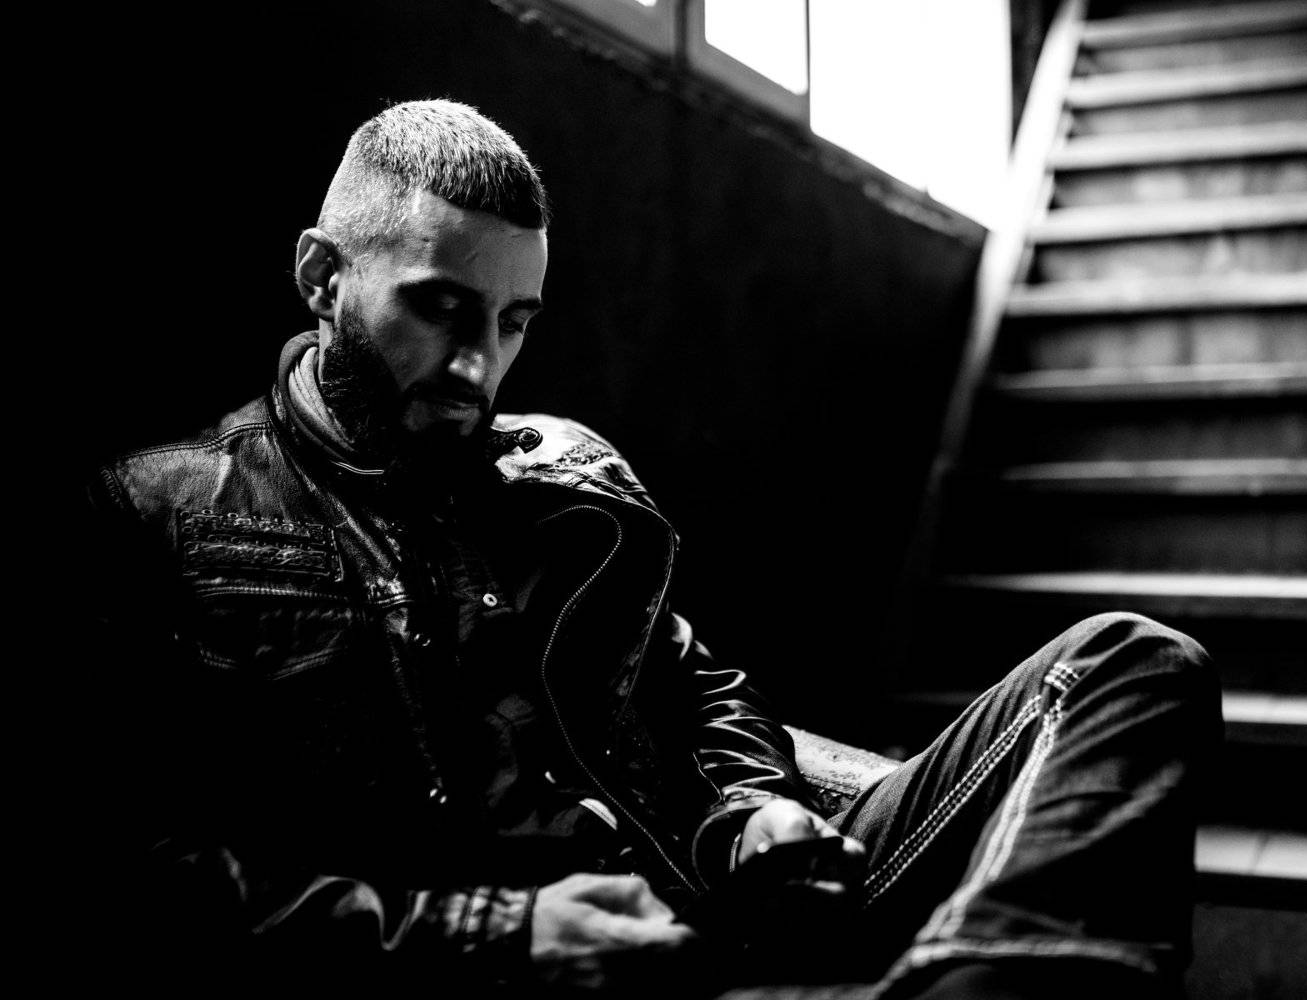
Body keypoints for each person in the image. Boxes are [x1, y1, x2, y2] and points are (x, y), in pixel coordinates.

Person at [87, 100, 1221, 998]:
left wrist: (750, 812)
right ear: (321, 277)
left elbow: (695, 680)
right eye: (441, 309)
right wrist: (495, 932)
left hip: (720, 903)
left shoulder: (552, 484)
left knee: (1130, 662)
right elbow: (137, 879)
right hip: (542, 959)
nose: (480, 369)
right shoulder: (159, 512)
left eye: (513, 322)